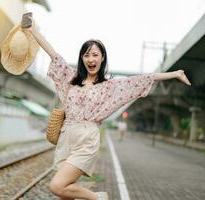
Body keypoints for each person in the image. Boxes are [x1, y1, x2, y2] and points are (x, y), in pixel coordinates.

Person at [22, 16, 191, 200]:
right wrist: (32, 31)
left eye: (95, 54)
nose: (91, 59)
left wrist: (175, 73)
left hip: (87, 139)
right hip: (66, 136)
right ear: (82, 58)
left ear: (102, 58)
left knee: (57, 185)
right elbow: (53, 54)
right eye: (86, 55)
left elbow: (140, 80)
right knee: (66, 191)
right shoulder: (71, 79)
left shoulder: (108, 87)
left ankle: (98, 197)